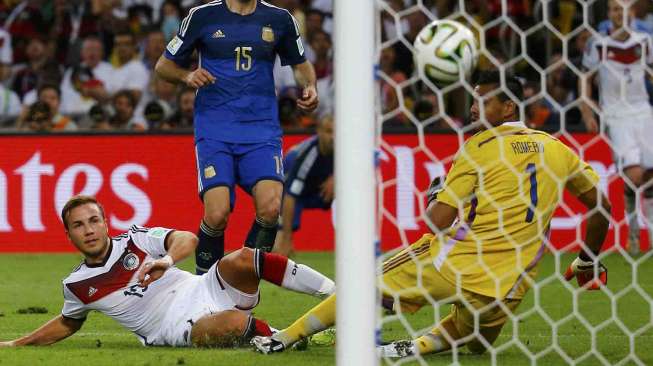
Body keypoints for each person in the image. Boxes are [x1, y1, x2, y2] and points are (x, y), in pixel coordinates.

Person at [252, 71, 611, 357]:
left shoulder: (479, 148)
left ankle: (283, 338)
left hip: (452, 264)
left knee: (363, 286)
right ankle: (415, 346)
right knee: (477, 343)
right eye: (473, 98)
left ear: (508, 109)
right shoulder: (556, 149)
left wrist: (435, 196)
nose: (473, 107)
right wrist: (588, 260)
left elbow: (437, 221)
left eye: (485, 101)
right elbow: (601, 209)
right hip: (511, 284)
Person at [0, 195, 335, 348]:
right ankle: (288, 338)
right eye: (78, 225)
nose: (88, 230)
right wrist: (18, 343)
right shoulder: (76, 285)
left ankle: (335, 293)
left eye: (93, 221)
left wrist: (167, 261)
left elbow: (187, 238)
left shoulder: (134, 238)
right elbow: (67, 322)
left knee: (245, 258)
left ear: (105, 223)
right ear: (69, 235)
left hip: (203, 288)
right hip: (174, 327)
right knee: (233, 324)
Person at [155, 0, 318, 275]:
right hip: (215, 128)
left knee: (270, 208)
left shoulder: (280, 19)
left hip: (261, 128)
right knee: (217, 214)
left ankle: (242, 280)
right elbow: (163, 65)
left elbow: (301, 65)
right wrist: (187, 75)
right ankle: (204, 287)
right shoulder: (202, 16)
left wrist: (309, 86)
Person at [579, 0, 653, 254]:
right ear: (609, 13)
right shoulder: (597, 44)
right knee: (634, 175)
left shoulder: (644, 40)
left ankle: (644, 236)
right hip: (615, 115)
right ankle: (635, 230)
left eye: (623, 9)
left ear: (631, 13)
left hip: (643, 110)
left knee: (650, 176)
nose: (619, 14)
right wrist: (587, 109)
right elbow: (585, 77)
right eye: (614, 10)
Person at [274, 115, 334, 257]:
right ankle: (277, 242)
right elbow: (290, 196)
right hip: (289, 186)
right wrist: (288, 240)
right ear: (319, 132)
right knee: (280, 246)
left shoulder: (345, 151)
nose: (333, 137)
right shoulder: (308, 155)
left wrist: (337, 177)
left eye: (336, 132)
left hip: (315, 188)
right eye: (329, 132)